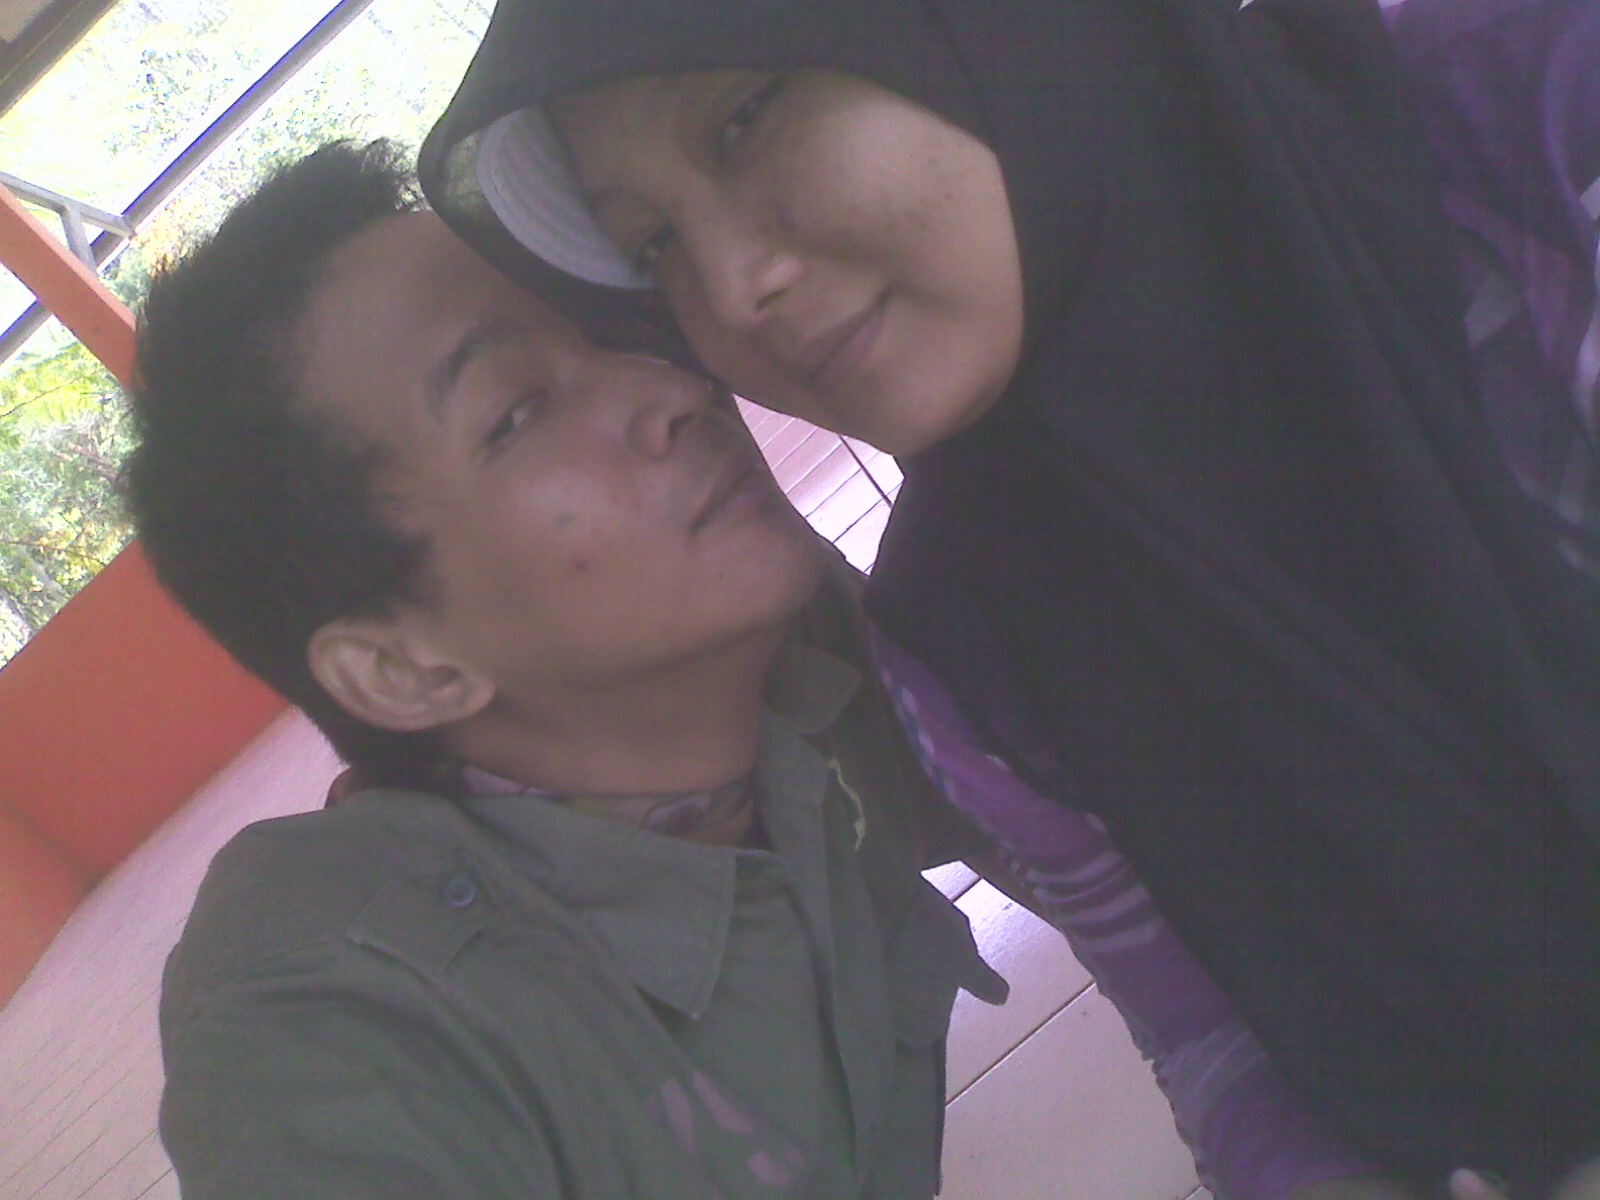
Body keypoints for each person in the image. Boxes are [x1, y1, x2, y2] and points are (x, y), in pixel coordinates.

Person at [416, 0, 1600, 1195]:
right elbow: (1212, 1039)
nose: (729, 293)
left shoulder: (1524, 131)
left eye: (743, 119)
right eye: (654, 247)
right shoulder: (965, 640)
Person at [125, 140, 1015, 1200]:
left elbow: (1076, 832)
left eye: (602, 331)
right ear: (403, 668)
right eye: (514, 412)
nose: (674, 387)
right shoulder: (333, 1022)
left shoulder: (789, 653)